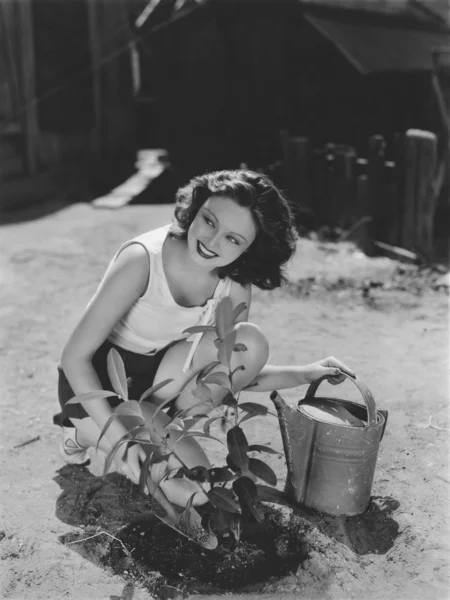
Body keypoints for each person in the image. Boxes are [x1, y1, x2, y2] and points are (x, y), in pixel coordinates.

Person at [54, 169, 354, 508]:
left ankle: (160, 433)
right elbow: (73, 358)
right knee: (180, 490)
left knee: (198, 484)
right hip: (95, 388)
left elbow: (231, 374)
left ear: (250, 249)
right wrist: (122, 442)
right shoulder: (143, 259)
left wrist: (304, 373)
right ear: (195, 209)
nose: (212, 242)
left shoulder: (234, 287)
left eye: (233, 239)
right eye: (209, 221)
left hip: (151, 397)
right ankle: (79, 430)